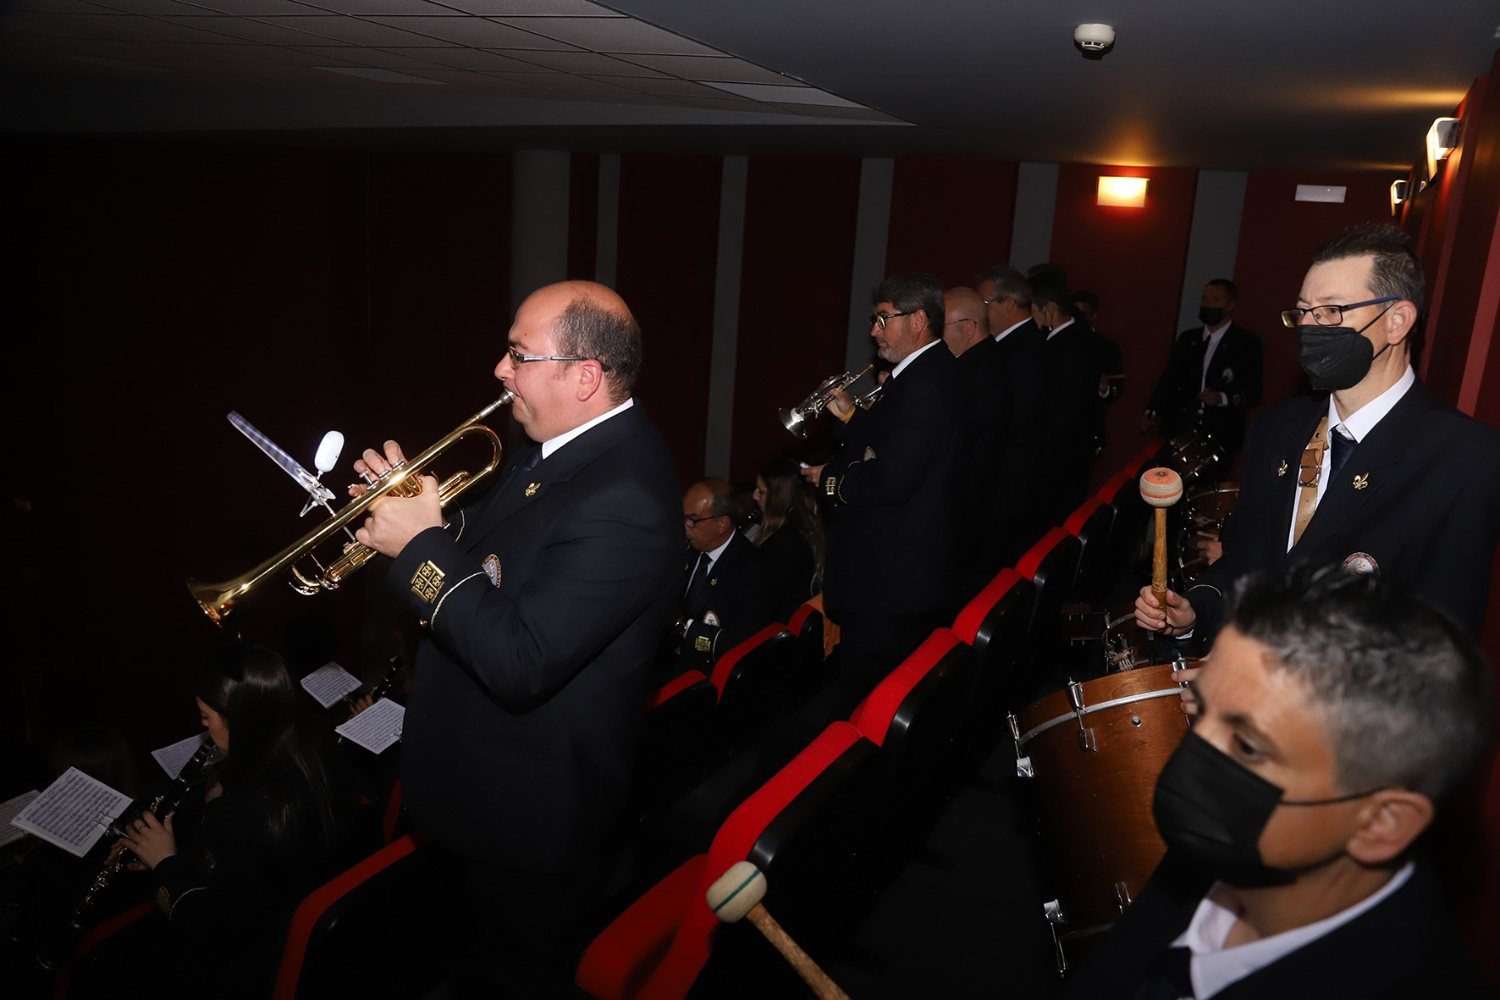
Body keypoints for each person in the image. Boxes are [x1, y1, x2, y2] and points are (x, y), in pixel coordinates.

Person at [351, 280, 681, 999]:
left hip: (526, 818)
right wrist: (421, 516)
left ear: (585, 377)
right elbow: (505, 559)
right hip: (481, 788)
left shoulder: (625, 495)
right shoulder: (557, 449)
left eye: (519, 355)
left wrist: (421, 550)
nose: (500, 370)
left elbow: (520, 659)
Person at [1064, 564, 1494, 998]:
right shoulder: (1219, 846)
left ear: (1379, 823)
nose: (1196, 756)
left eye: (1247, 746)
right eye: (1203, 712)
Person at [1136, 225, 1500, 644]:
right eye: (1303, 311)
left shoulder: (1466, 459)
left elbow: (1441, 646)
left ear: (1397, 322)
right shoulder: (1275, 429)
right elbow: (1242, 565)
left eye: (1331, 310)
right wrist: (1194, 613)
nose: (1308, 327)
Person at [110, 645, 357, 1000]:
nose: (203, 726)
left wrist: (163, 863)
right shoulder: (320, 750)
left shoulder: (243, 813)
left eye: (206, 716)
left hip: (252, 966)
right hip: (307, 909)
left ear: (242, 723)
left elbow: (212, 928)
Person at [803, 272, 966, 709]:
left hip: (889, 579)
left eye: (882, 318)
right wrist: (851, 417)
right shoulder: (925, 372)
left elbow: (892, 478)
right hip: (897, 571)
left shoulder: (924, 384)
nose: (874, 330)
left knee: (872, 701)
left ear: (918, 320)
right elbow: (891, 442)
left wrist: (830, 481)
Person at [1143, 279, 1263, 468]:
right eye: (1205, 299)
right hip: (1179, 431)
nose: (1209, 305)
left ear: (1230, 305)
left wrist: (1222, 398)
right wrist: (1153, 408)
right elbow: (1169, 378)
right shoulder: (1187, 339)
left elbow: (1253, 392)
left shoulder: (1246, 344)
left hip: (1219, 436)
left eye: (1216, 300)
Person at [943, 285, 1012, 599]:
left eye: (941, 326)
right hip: (981, 505)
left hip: (968, 510)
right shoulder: (991, 359)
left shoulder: (974, 374)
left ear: (969, 328)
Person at [1030, 269, 1102, 527]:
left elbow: (1060, 412)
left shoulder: (1067, 347)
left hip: (1059, 459)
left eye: (1031, 310)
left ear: (1049, 308)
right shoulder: (1080, 338)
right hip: (1069, 454)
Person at [678, 476, 772, 666]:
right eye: (683, 518)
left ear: (722, 523)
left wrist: (680, 625)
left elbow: (738, 644)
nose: (685, 528)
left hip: (707, 668)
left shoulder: (751, 569)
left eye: (693, 520)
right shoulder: (686, 549)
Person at [752, 456, 825, 621]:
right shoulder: (805, 529)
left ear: (778, 496)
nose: (755, 496)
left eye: (761, 492)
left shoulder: (784, 543)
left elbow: (762, 604)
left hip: (778, 630)